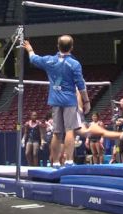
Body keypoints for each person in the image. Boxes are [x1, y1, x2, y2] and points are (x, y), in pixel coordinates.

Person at [23, 35, 91, 167]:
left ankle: (54, 162)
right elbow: (81, 86)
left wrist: (29, 49)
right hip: (69, 101)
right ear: (71, 47)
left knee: (57, 132)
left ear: (58, 47)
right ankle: (69, 161)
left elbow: (33, 58)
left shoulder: (49, 60)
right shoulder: (74, 64)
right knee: (69, 130)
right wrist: (86, 101)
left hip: (55, 100)